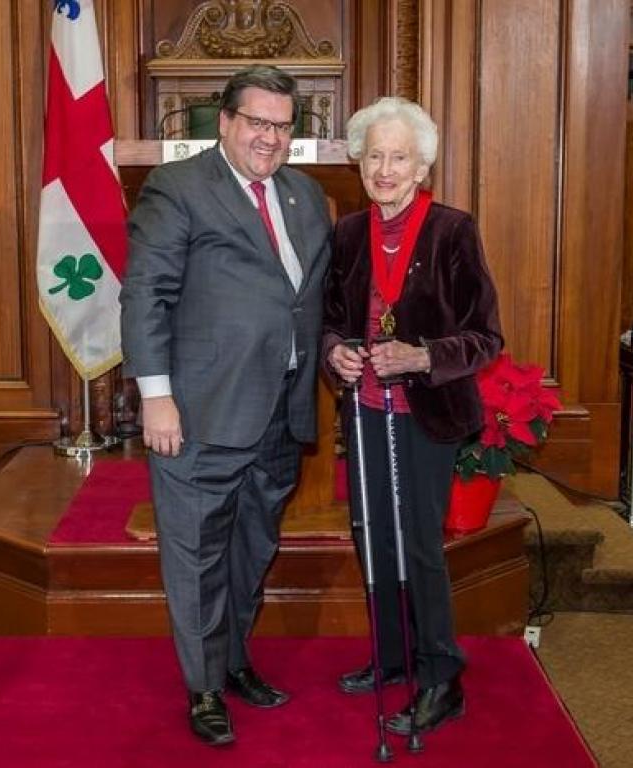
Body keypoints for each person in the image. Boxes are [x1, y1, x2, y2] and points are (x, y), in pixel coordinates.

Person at [120, 64, 332, 747]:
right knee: (198, 554)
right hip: (200, 412)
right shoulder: (179, 188)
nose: (271, 138)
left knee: (252, 547)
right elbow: (144, 295)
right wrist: (156, 398)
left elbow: (309, 298)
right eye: (258, 123)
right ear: (228, 121)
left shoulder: (306, 194)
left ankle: (234, 659)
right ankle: (204, 687)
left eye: (283, 125)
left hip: (280, 410)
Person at [322, 97, 503, 735]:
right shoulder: (346, 233)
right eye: (375, 155)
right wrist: (335, 353)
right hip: (367, 411)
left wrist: (423, 356)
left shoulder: (453, 229)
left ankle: (441, 677)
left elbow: (486, 337)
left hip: (426, 416)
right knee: (374, 540)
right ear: (359, 162)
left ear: (421, 166)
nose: (386, 168)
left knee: (420, 548)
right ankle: (394, 656)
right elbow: (333, 325)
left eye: (400, 157)